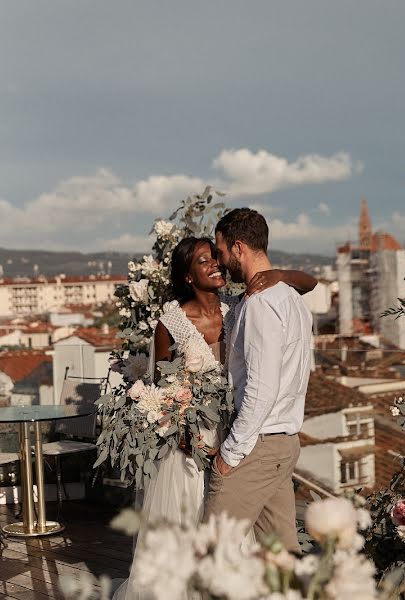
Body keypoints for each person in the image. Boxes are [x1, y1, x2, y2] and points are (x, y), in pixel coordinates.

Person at [113, 235, 316, 600]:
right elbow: (161, 391)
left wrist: (278, 275)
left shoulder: (238, 306)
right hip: (190, 447)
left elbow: (309, 284)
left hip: (236, 437)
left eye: (215, 258)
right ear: (188, 277)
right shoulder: (170, 323)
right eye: (204, 261)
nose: (215, 265)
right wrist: (183, 429)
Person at [207, 208, 314, 554]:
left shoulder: (261, 304)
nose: (221, 262)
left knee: (209, 554)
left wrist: (230, 453)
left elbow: (261, 389)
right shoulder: (291, 299)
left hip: (257, 445)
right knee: (281, 558)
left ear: (239, 248)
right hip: (283, 443)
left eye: (221, 252)